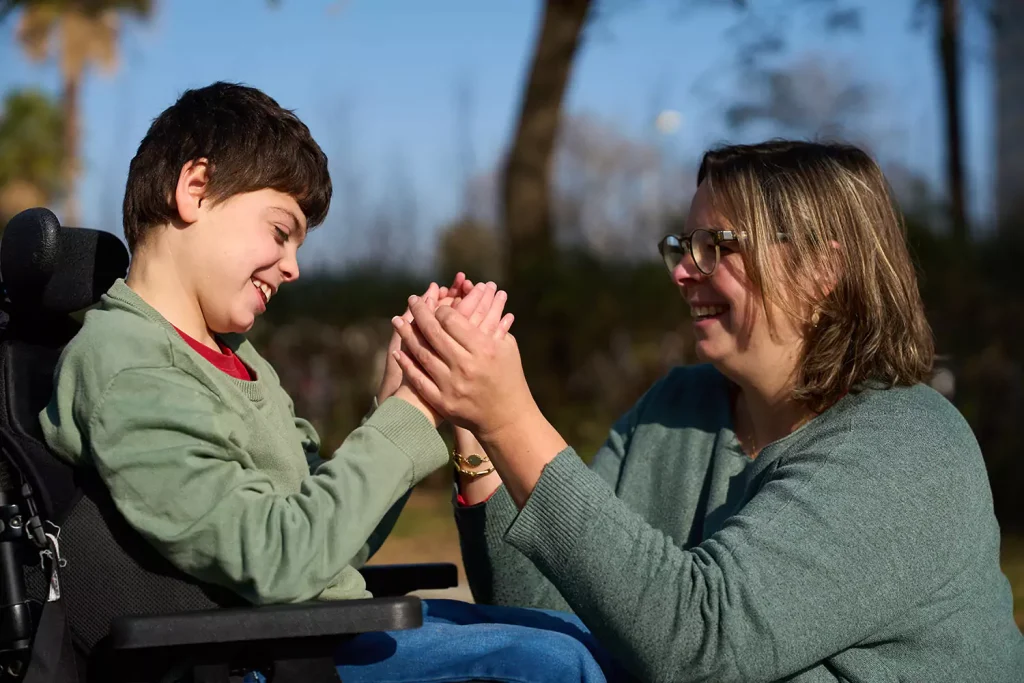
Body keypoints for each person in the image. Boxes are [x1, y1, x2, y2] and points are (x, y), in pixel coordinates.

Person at [38, 82, 628, 683]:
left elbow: (325, 541)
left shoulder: (232, 358)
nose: (294, 266)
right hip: (252, 660)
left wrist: (394, 404)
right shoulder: (126, 368)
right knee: (557, 665)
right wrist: (414, 412)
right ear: (194, 189)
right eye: (279, 231)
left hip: (313, 632)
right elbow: (280, 559)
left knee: (574, 634)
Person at [391, 140, 1024, 682]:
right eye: (682, 246)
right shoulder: (677, 407)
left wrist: (512, 419)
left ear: (823, 268)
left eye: (716, 246)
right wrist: (474, 434)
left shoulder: (905, 448)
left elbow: (703, 646)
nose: (683, 272)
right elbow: (544, 610)